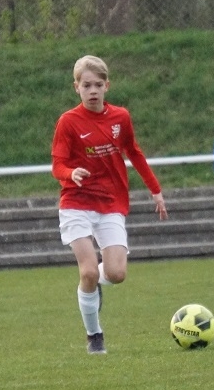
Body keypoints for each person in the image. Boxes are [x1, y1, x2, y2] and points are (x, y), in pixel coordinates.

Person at [51, 55, 168, 355]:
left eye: (98, 85)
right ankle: (95, 336)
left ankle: (93, 285)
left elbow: (134, 153)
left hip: (111, 203)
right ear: (76, 87)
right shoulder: (68, 122)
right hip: (76, 202)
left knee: (116, 273)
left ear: (107, 86)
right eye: (86, 85)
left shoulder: (120, 118)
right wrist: (70, 173)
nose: (93, 90)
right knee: (88, 271)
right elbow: (57, 165)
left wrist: (155, 190)